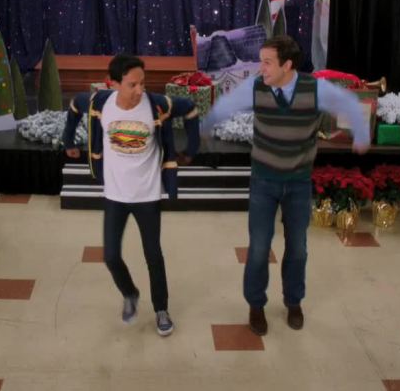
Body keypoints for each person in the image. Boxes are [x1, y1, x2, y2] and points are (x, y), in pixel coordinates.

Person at [203, 35, 370, 335]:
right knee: (258, 248)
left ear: (287, 65)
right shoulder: (256, 87)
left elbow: (349, 102)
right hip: (263, 181)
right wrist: (203, 127)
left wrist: (360, 133)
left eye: (267, 62)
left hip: (298, 183)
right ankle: (256, 306)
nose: (261, 68)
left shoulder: (314, 89)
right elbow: (226, 105)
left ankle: (293, 302)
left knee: (298, 248)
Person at [62, 54, 200, 336]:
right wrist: (68, 140)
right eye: (132, 85)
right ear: (112, 83)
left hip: (147, 195)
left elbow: (190, 109)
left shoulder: (156, 104)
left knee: (153, 255)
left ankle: (161, 309)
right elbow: (75, 105)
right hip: (115, 195)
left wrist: (191, 149)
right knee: (111, 256)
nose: (140, 90)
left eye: (143, 83)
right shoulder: (100, 103)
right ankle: (130, 293)